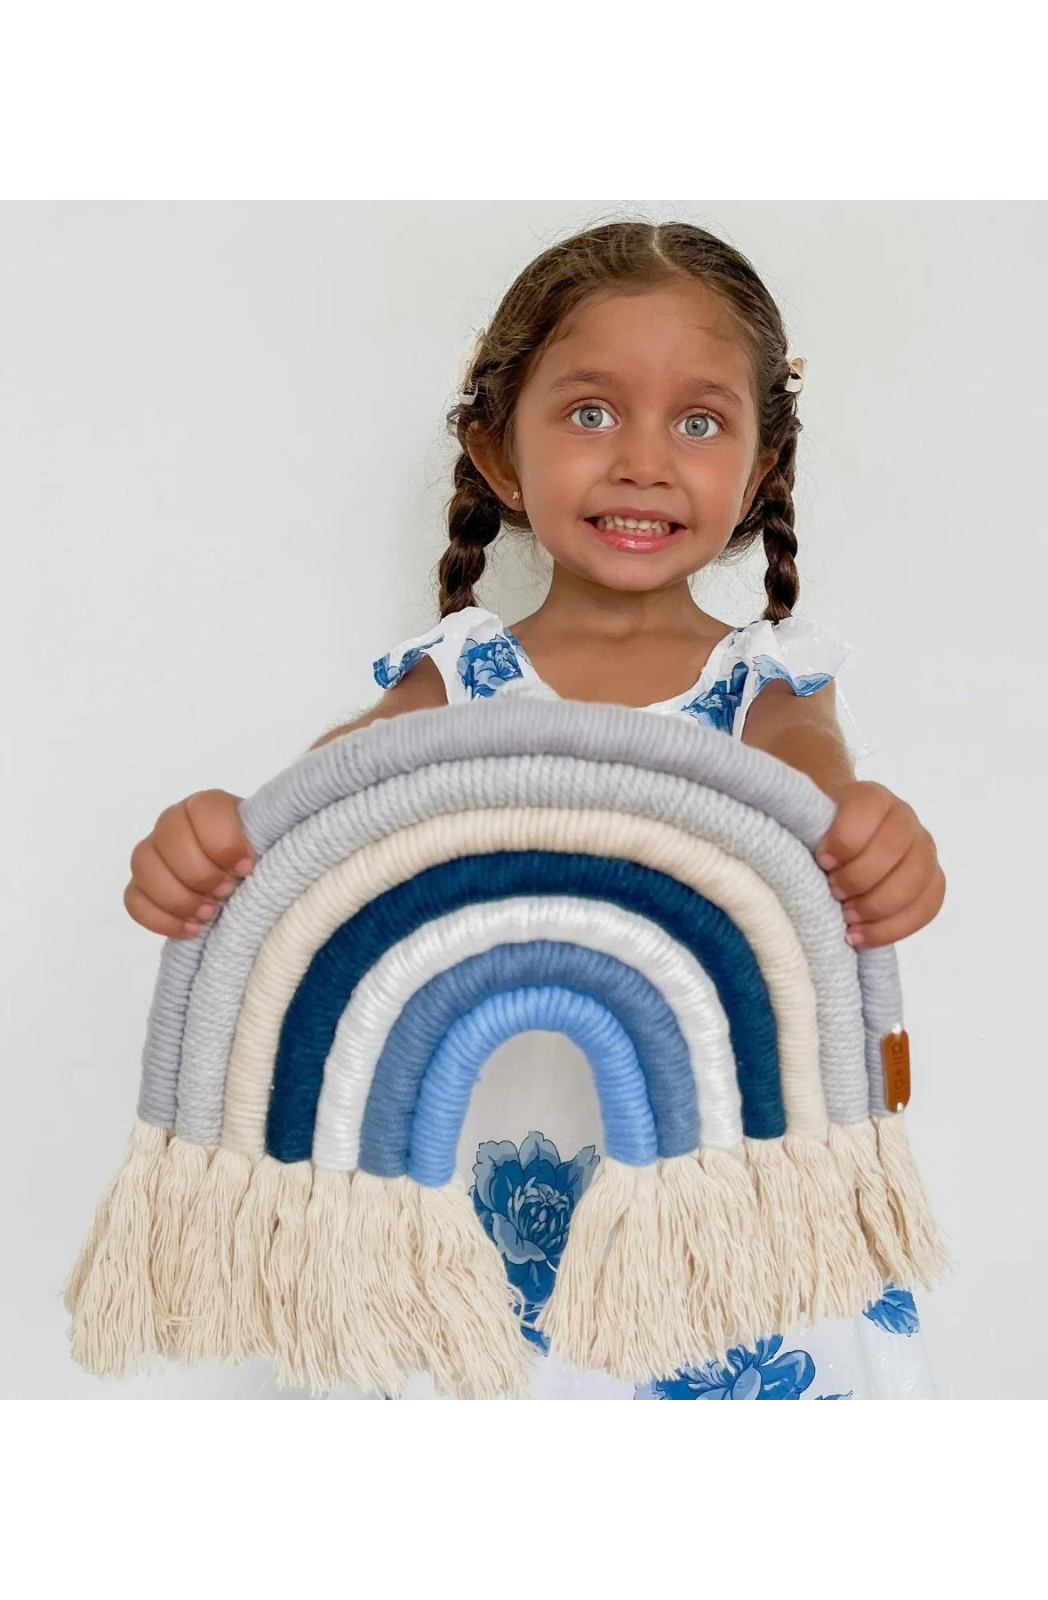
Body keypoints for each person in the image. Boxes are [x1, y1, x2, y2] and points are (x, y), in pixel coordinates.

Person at [124, 219, 947, 1400]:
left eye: (699, 422)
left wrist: (868, 832)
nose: (644, 460)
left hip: (723, 1204)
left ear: (761, 470)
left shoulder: (767, 683)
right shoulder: (458, 679)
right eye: (591, 412)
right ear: (498, 454)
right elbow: (316, 826)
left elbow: (811, 785)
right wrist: (215, 840)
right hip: (474, 1203)